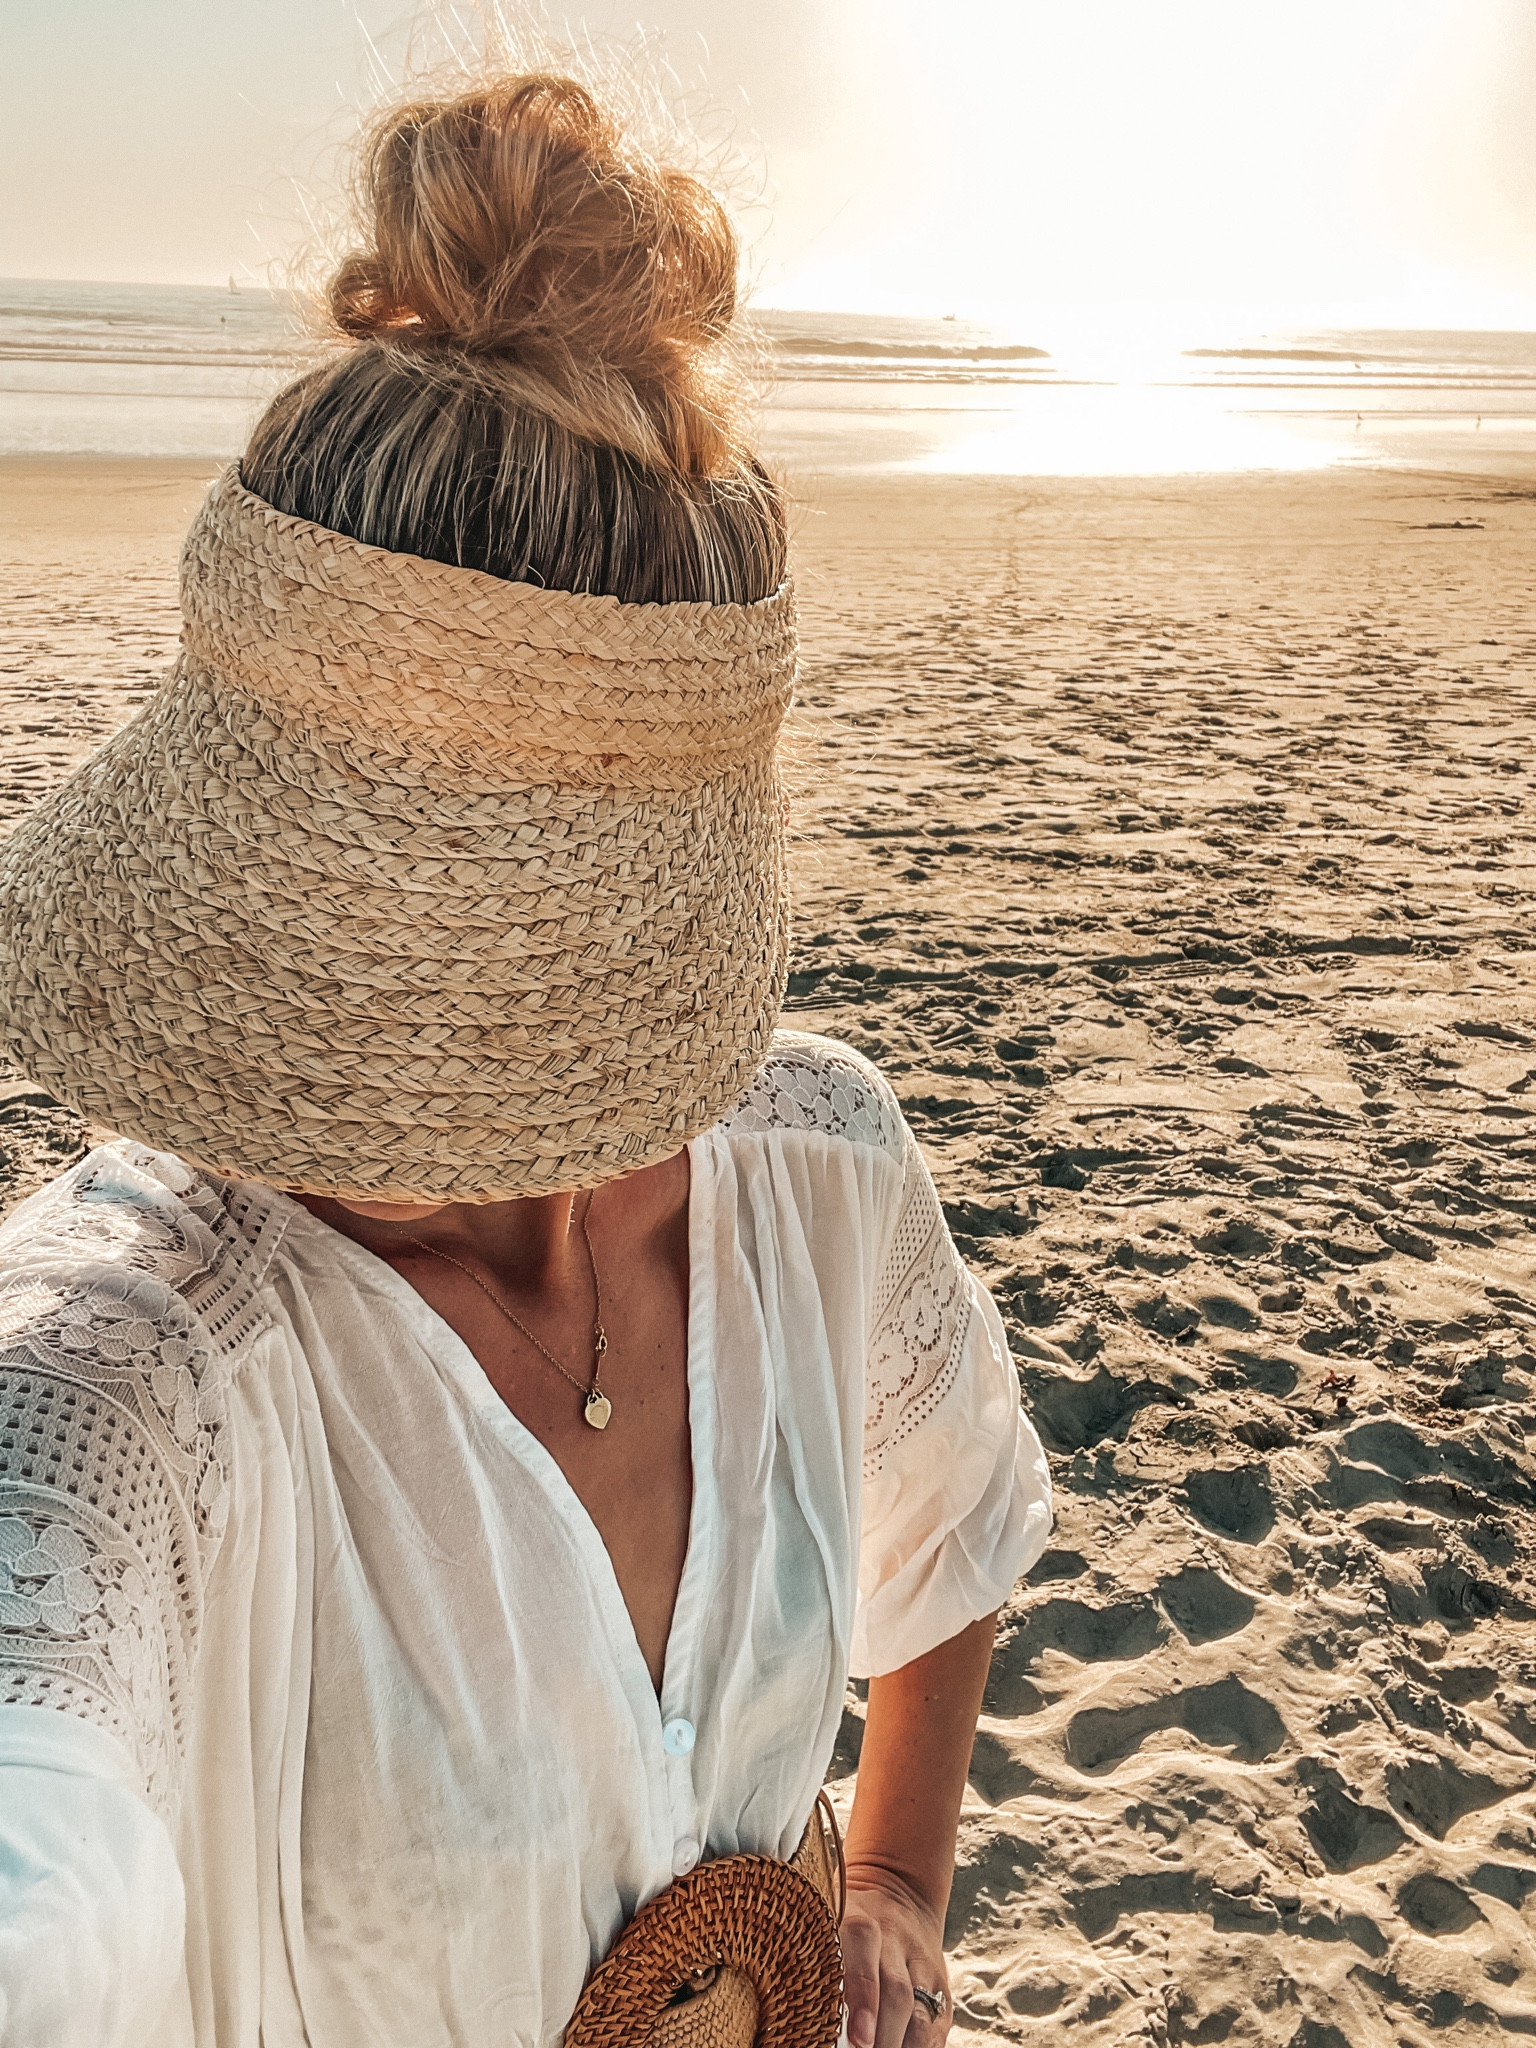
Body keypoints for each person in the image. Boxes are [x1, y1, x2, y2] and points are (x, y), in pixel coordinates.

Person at [0, 72, 1051, 2048]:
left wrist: (898, 1886)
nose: (300, 1030)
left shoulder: (817, 1175)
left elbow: (954, 1518)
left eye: (408, 954)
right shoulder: (128, 1377)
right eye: (285, 896)